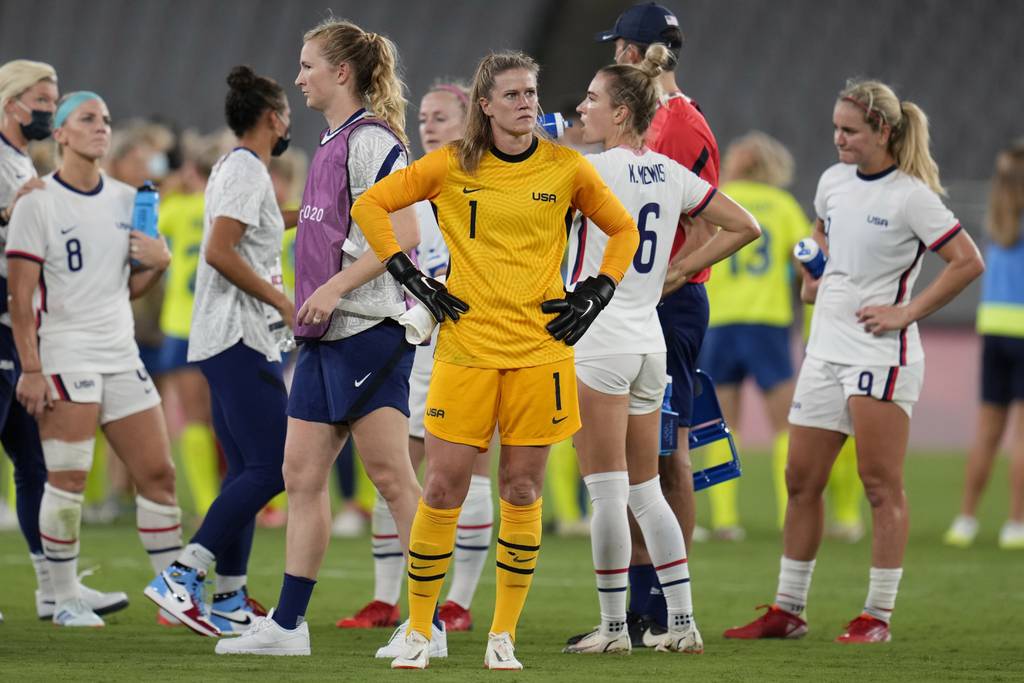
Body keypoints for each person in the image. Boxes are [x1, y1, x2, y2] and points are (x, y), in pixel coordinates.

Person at [353, 50, 640, 671]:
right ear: (485, 105)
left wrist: (598, 290)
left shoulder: (567, 168)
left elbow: (624, 232)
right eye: (512, 95)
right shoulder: (451, 165)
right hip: (466, 350)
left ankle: (501, 634)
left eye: (532, 93)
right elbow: (369, 206)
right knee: (442, 486)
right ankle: (420, 628)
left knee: (521, 488)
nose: (527, 104)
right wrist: (412, 277)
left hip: (540, 353)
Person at [723, 79, 984, 644]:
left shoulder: (912, 195)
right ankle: (788, 610)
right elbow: (820, 233)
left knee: (879, 484)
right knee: (800, 480)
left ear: (883, 131)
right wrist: (814, 273)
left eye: (850, 130)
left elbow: (967, 261)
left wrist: (906, 311)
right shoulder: (833, 181)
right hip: (824, 350)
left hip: (880, 354)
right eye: (835, 128)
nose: (838, 139)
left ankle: (877, 616)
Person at [216, 18, 423, 657]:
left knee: (392, 480)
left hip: (366, 330)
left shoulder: (373, 141)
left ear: (341, 72)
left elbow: (407, 232)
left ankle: (428, 623)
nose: (298, 76)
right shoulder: (335, 138)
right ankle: (287, 626)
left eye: (307, 65)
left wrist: (333, 289)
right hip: (323, 336)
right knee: (299, 475)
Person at [563, 46, 760, 655]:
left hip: (600, 340)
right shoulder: (670, 173)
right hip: (649, 336)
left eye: (593, 98)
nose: (581, 107)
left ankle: (614, 629)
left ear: (621, 113)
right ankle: (682, 623)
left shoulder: (588, 173)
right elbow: (746, 225)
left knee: (608, 493)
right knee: (646, 490)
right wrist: (679, 271)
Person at [6, 91, 181, 627]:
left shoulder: (129, 199)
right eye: (87, 119)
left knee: (159, 474)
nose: (100, 128)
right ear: (59, 134)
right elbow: (19, 297)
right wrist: (31, 368)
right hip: (64, 353)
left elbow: (128, 286)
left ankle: (174, 596)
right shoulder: (37, 202)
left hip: (120, 351)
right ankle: (63, 599)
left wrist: (161, 261)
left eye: (105, 120)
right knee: (70, 480)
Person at [144, 66, 294, 637]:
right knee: (272, 465)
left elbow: (245, 232)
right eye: (286, 112)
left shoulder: (237, 168)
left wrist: (303, 217)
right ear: (273, 117)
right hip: (238, 333)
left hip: (225, 334)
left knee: (244, 470)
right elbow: (220, 250)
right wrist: (280, 299)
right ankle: (182, 574)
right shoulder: (248, 170)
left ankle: (229, 598)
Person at [340, 80, 494, 635]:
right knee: (395, 470)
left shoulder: (481, 184)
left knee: (468, 473)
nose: (427, 125)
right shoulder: (407, 186)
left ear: (468, 122)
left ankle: (459, 600)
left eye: (440, 117)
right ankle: (386, 599)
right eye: (423, 117)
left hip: (466, 343)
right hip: (410, 342)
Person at [596, 2, 719, 640]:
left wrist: (674, 274)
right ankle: (651, 607)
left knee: (664, 455)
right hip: (644, 304)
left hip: (662, 305)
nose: (611, 56)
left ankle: (656, 607)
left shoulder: (679, 127)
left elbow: (713, 222)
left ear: (634, 53)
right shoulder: (668, 122)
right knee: (643, 455)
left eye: (617, 47)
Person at [0, 59, 128, 623]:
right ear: (14, 103)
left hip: (20, 331)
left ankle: (56, 589)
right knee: (37, 463)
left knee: (36, 464)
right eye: (45, 99)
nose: (51, 109)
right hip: (8, 327)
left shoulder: (20, 162)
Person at [700, 131, 864, 541]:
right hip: (767, 323)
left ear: (747, 160)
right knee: (784, 425)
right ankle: (788, 513)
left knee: (723, 422)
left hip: (720, 321)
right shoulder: (782, 205)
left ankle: (724, 520)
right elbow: (807, 258)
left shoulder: (714, 198)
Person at [946, 140, 1024, 550]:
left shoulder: (997, 217)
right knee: (1021, 437)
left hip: (993, 328)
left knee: (987, 433)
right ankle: (1015, 524)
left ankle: (966, 519)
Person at [156, 132, 222, 521]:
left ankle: (207, 504)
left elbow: (147, 230)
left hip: (182, 323)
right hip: (224, 324)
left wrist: (172, 186)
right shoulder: (227, 207)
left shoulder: (177, 208)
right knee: (226, 415)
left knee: (194, 418)